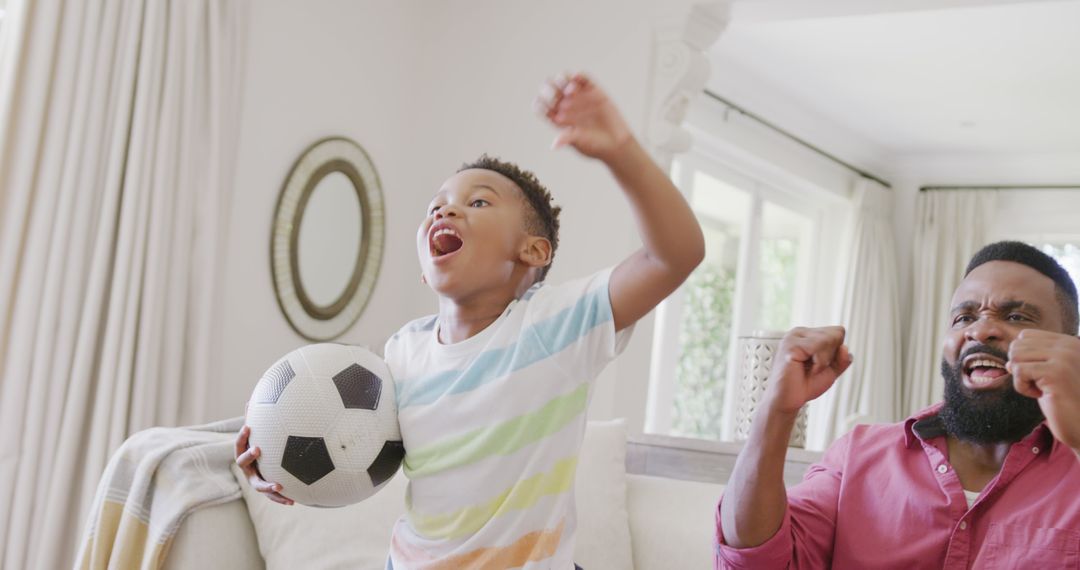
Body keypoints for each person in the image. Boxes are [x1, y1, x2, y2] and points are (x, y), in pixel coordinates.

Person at [235, 72, 706, 569]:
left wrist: (621, 152)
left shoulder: (555, 328)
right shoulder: (399, 356)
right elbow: (347, 437)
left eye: (477, 202)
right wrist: (274, 462)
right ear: (424, 265)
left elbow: (674, 256)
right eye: (436, 205)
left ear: (532, 252)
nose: (446, 212)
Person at [716, 240, 1080, 569]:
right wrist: (776, 411)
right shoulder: (857, 457)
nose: (980, 330)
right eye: (964, 317)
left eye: (1016, 316)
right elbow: (753, 561)